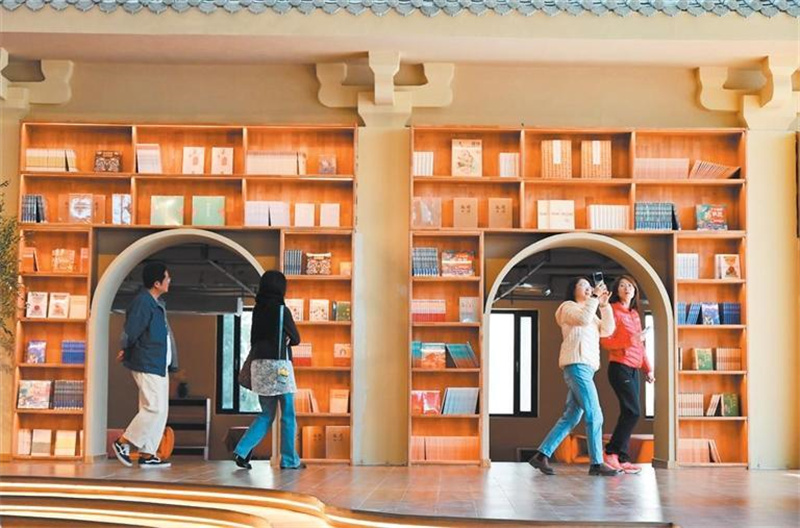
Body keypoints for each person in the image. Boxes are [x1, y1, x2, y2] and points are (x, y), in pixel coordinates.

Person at [528, 276, 621, 477]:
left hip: (586, 368)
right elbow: (583, 319)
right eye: (583, 285)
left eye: (590, 286)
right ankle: (596, 463)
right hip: (577, 366)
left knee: (571, 416)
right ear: (573, 289)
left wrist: (604, 305)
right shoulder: (567, 308)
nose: (588, 288)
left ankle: (541, 455)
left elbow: (608, 330)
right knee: (595, 413)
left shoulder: (591, 311)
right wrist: (594, 298)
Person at [233, 270, 304, 470]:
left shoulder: (258, 311)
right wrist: (287, 338)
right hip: (279, 368)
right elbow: (296, 339)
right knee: (288, 415)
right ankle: (289, 460)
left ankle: (242, 450)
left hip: (259, 367)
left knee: (266, 414)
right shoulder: (282, 310)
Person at [113, 262, 178, 468]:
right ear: (157, 283)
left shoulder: (156, 303)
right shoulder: (143, 302)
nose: (169, 280)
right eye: (167, 277)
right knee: (154, 408)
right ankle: (123, 442)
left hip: (158, 363)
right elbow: (132, 329)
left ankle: (148, 453)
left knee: (160, 410)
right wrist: (125, 348)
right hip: (147, 361)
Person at [600, 275, 654, 474]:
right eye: (622, 285)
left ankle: (622, 458)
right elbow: (605, 341)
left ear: (635, 291)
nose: (627, 288)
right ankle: (611, 452)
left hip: (634, 368)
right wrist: (630, 340)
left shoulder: (634, 314)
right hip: (619, 366)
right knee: (633, 411)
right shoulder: (613, 310)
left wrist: (648, 369)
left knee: (629, 412)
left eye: (630, 285)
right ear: (617, 290)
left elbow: (640, 345)